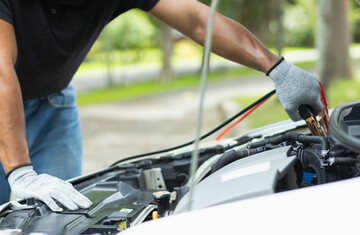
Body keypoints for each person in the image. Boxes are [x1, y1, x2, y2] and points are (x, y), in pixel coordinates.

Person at [0, 0, 323, 211]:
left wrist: (276, 67)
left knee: (63, 217)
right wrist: (20, 171)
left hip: (54, 104)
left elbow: (195, 18)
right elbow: (1, 70)